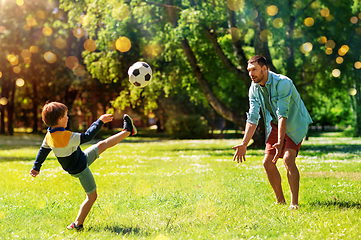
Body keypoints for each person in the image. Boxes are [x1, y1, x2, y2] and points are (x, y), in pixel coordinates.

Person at [30, 101, 137, 230]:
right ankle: (77, 224)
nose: (68, 118)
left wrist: (36, 167)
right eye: (66, 115)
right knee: (92, 196)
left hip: (81, 158)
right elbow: (87, 136)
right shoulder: (65, 136)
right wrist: (100, 121)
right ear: (59, 119)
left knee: (102, 145)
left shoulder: (49, 135)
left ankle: (128, 131)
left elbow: (43, 150)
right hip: (80, 169)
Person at [232, 55, 312, 209]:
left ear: (264, 68)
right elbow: (253, 117)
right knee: (267, 162)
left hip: (294, 123)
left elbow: (283, 114)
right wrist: (244, 144)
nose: (251, 73)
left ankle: (294, 203)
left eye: (254, 69)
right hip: (276, 123)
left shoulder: (283, 83)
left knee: (288, 159)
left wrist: (281, 141)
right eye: (249, 70)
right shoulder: (254, 88)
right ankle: (280, 201)